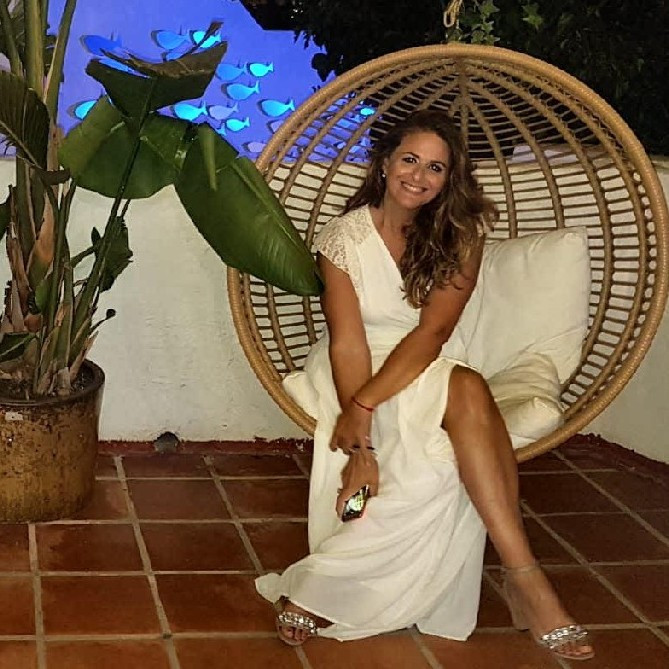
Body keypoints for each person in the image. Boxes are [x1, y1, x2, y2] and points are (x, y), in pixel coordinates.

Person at [256, 109, 594, 661]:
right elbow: (347, 343)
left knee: (463, 394)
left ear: (449, 179)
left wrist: (365, 409)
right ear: (384, 162)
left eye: (435, 167)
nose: (418, 175)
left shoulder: (461, 236)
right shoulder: (343, 237)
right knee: (449, 420)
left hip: (422, 357)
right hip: (351, 364)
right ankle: (329, 586)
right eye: (409, 159)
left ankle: (523, 577)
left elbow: (433, 333)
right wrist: (360, 440)